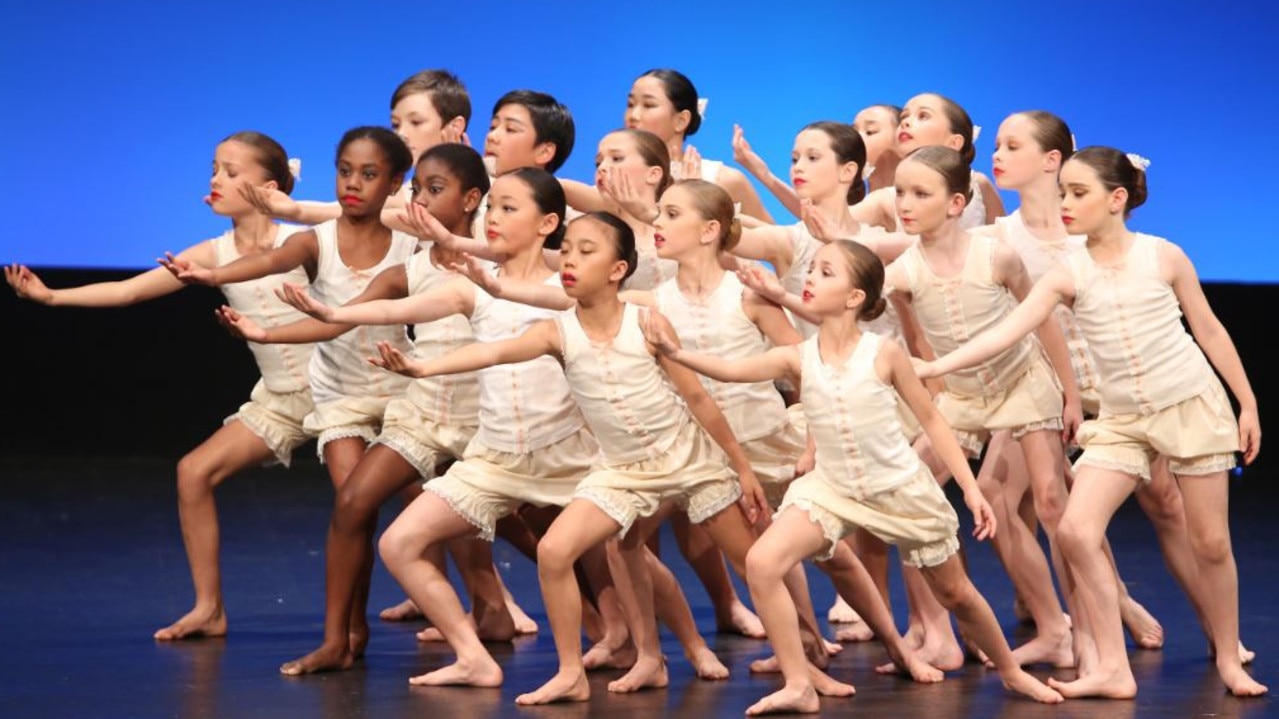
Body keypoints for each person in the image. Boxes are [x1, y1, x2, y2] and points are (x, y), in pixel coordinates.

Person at [642, 239, 1065, 712]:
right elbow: (731, 369)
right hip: (833, 488)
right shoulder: (798, 356)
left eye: (826, 273)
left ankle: (1010, 672)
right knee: (763, 562)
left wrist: (970, 490)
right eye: (813, 269)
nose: (810, 278)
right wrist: (674, 354)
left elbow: (931, 419)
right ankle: (799, 682)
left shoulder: (883, 354)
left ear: (854, 297)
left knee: (955, 592)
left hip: (898, 489)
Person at [916, 146, 1266, 698]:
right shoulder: (1067, 273)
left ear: (1117, 199)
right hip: (1124, 419)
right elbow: (1009, 330)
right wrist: (937, 364)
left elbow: (1210, 330)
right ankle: (1110, 667)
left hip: (1187, 406)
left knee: (1210, 542)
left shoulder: (1163, 256)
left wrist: (1246, 402)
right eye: (1063, 193)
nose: (1066, 204)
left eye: (1078, 193)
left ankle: (1228, 656)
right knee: (1077, 531)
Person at [6, 130, 314, 642]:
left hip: (341, 391)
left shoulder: (301, 242)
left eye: (232, 172)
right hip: (282, 399)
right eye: (214, 169)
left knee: (412, 488)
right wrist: (52, 299)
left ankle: (481, 602)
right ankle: (209, 609)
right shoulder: (215, 252)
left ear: (271, 185)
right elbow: (130, 292)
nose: (216, 180)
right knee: (193, 472)